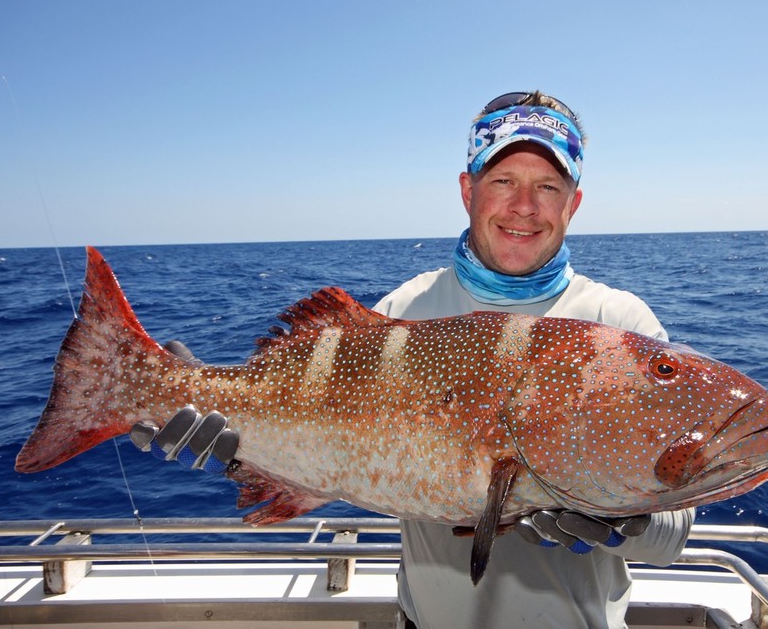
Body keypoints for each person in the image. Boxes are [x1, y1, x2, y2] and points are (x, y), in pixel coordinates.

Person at [132, 91, 695, 629]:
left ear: (573, 202)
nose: (524, 207)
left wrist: (631, 520)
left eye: (547, 186)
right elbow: (333, 447)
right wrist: (240, 447)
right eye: (503, 180)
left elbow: (673, 536)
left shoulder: (621, 326)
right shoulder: (406, 310)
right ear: (466, 189)